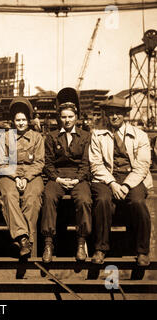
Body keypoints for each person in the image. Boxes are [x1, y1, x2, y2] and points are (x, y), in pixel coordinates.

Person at [89, 95, 153, 266]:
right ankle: (100, 249)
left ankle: (142, 251)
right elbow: (96, 164)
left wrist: (125, 185)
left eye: (118, 113)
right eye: (111, 113)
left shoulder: (139, 135)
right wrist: (112, 183)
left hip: (132, 177)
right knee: (102, 200)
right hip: (106, 178)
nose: (114, 116)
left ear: (124, 115)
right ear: (106, 115)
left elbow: (142, 165)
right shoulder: (97, 135)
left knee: (138, 202)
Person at [41, 87, 92, 263]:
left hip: (79, 177)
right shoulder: (52, 136)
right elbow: (47, 163)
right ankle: (48, 243)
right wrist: (57, 178)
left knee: (84, 199)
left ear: (76, 117)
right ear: (59, 118)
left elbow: (86, 162)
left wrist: (78, 179)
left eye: (70, 116)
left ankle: (81, 242)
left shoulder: (85, 136)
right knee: (48, 196)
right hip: (58, 176)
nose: (67, 120)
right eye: (64, 117)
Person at [0, 97, 45, 258]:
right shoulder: (4, 137)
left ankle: (25, 243)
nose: (21, 123)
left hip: (32, 175)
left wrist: (26, 178)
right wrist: (16, 177)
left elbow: (39, 162)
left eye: (24, 120)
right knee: (9, 196)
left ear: (29, 120)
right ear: (13, 121)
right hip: (9, 174)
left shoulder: (37, 138)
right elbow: (2, 163)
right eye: (18, 120)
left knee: (32, 198)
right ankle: (23, 238)